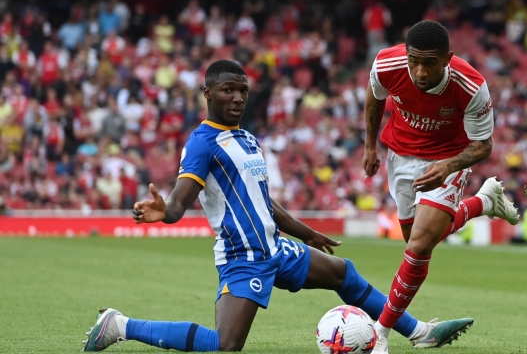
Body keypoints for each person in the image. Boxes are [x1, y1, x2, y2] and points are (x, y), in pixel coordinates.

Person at [81, 60, 471, 352]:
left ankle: (421, 333)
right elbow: (181, 202)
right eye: (228, 90)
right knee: (225, 346)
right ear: (208, 95)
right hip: (243, 256)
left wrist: (305, 232)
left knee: (343, 274)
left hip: (275, 248)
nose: (237, 98)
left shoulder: (247, 139)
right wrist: (163, 211)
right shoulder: (202, 143)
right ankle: (119, 325)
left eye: (243, 91)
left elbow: (262, 200)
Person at [362, 20, 520, 354]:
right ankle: (483, 204)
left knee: (418, 246)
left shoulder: (471, 86)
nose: (420, 71)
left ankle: (381, 333)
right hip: (400, 157)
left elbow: (483, 145)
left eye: (429, 63)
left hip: (448, 158)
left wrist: (447, 167)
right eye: (413, 61)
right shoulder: (387, 64)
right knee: (415, 240)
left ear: (447, 58)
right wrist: (369, 146)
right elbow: (375, 98)